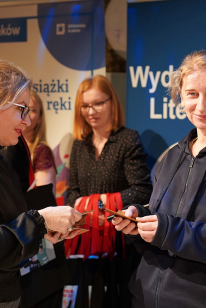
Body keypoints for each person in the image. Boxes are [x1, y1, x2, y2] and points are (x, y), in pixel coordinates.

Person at [112, 50, 206, 308]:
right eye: (192, 94)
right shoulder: (172, 156)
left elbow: (169, 228)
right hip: (143, 296)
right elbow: (160, 215)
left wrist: (166, 230)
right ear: (181, 96)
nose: (201, 106)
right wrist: (138, 219)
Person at [0, 57, 82, 307]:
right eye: (21, 109)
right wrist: (41, 221)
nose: (28, 121)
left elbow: (6, 222)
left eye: (29, 110)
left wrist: (40, 228)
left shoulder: (2, 157)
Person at [67, 75, 152, 307]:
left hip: (121, 243)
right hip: (87, 242)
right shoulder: (78, 144)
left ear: (111, 102)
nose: (91, 111)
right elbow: (71, 195)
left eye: (98, 103)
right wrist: (92, 208)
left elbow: (142, 191)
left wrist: (98, 202)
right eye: (85, 106)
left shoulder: (127, 139)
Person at [22, 90, 56, 194]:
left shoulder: (42, 152)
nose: (25, 114)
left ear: (40, 118)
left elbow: (43, 201)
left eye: (31, 110)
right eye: (22, 108)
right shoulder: (3, 146)